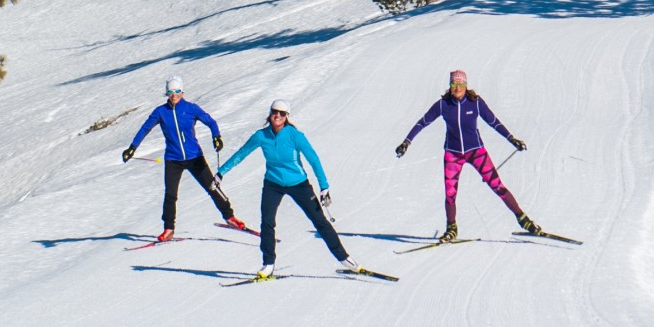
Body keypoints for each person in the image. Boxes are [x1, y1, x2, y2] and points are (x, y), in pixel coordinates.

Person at [216, 99, 359, 280]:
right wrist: (221, 172)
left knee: (319, 220)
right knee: (267, 222)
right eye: (275, 112)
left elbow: (313, 159)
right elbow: (241, 153)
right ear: (270, 113)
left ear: (287, 117)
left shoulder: (295, 135)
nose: (278, 116)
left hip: (298, 183)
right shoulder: (262, 136)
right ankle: (268, 264)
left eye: (282, 114)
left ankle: (344, 258)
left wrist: (324, 187)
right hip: (273, 184)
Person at [395, 69, 540, 242]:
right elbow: (423, 122)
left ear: (466, 85)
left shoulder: (475, 103)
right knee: (450, 193)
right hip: (453, 154)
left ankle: (524, 220)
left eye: (460, 84)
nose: (457, 88)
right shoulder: (443, 105)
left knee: (497, 185)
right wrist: (406, 142)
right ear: (450, 86)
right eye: (454, 84)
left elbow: (494, 122)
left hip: (476, 152)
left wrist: (511, 139)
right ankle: (451, 228)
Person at [122, 75, 245, 241]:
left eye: (177, 91)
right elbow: (145, 129)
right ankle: (168, 229)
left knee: (212, 187)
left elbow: (211, 122)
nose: (174, 95)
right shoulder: (161, 112)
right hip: (173, 159)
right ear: (166, 94)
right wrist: (132, 148)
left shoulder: (191, 108)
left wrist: (216, 137)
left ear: (182, 91)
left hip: (195, 157)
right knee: (171, 194)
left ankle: (230, 217)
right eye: (171, 92)